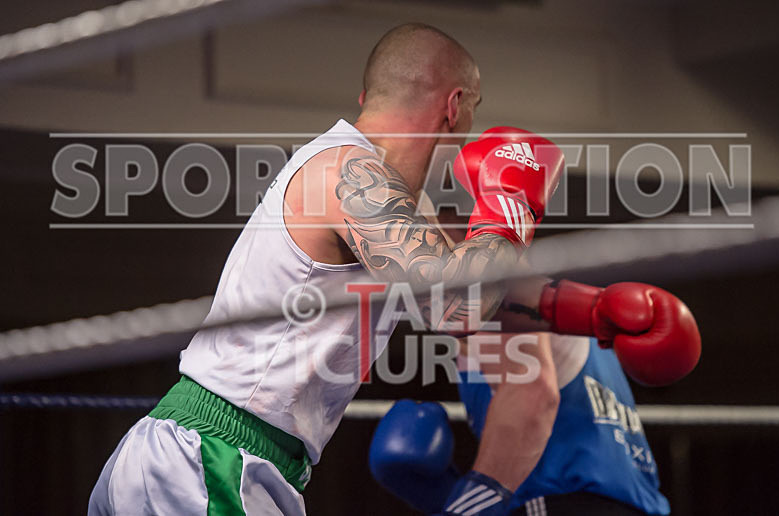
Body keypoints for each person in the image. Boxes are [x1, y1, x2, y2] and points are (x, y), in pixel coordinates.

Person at [88, 23, 568, 515]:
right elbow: (456, 303)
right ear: (455, 106)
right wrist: (512, 201)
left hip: (217, 460)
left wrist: (594, 311)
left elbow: (480, 287)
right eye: (475, 108)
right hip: (212, 462)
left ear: (367, 96)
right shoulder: (348, 175)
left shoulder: (375, 193)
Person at [369, 257, 701, 514]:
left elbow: (534, 397)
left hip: (564, 503)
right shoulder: (550, 306)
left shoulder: (482, 287)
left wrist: (462, 507)